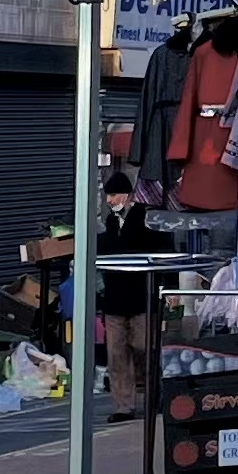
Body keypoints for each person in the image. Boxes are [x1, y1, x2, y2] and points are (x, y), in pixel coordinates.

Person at [98, 167, 153, 417]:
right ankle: (124, 406)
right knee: (117, 356)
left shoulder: (145, 217)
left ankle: (155, 396)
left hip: (140, 296)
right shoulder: (110, 221)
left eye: (113, 195)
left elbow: (159, 251)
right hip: (114, 299)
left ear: (127, 195)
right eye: (108, 196)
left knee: (145, 348)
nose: (109, 201)